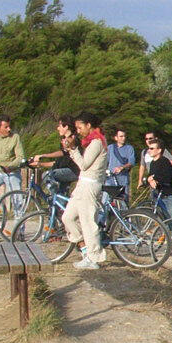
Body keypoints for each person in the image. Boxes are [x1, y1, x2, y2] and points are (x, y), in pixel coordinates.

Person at [63, 112, 108, 269]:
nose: (78, 131)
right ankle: (84, 249)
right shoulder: (90, 142)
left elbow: (84, 165)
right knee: (67, 218)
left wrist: (73, 149)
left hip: (90, 185)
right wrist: (71, 149)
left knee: (88, 223)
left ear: (89, 125)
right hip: (82, 185)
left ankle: (94, 257)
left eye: (80, 127)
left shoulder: (97, 142)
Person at [29, 116, 79, 197]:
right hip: (67, 170)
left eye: (59, 126)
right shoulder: (65, 140)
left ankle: (55, 197)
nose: (58, 128)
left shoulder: (71, 140)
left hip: (73, 171)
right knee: (62, 197)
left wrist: (43, 155)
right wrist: (40, 163)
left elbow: (63, 153)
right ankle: (59, 201)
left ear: (66, 127)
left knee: (48, 175)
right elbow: (58, 162)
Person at [107, 129, 138, 195]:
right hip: (110, 178)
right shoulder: (110, 148)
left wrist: (122, 167)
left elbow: (131, 162)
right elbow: (105, 162)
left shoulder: (129, 148)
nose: (123, 138)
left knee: (122, 198)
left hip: (123, 178)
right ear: (116, 138)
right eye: (121, 136)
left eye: (124, 136)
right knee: (106, 198)